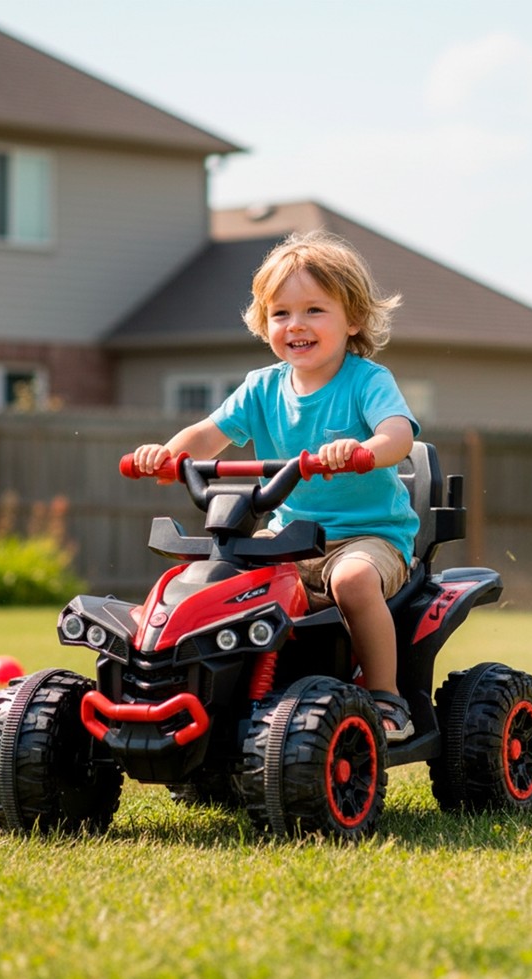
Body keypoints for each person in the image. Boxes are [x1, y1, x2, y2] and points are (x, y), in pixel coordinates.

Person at [132, 230, 419, 741]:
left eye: (314, 310)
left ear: (352, 319)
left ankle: (386, 697)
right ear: (264, 323)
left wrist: (362, 452)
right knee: (218, 577)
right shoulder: (261, 387)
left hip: (368, 539)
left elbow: (396, 436)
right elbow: (207, 435)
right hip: (288, 537)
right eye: (281, 313)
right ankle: (211, 695)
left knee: (351, 581)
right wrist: (168, 453)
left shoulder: (366, 381)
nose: (296, 325)